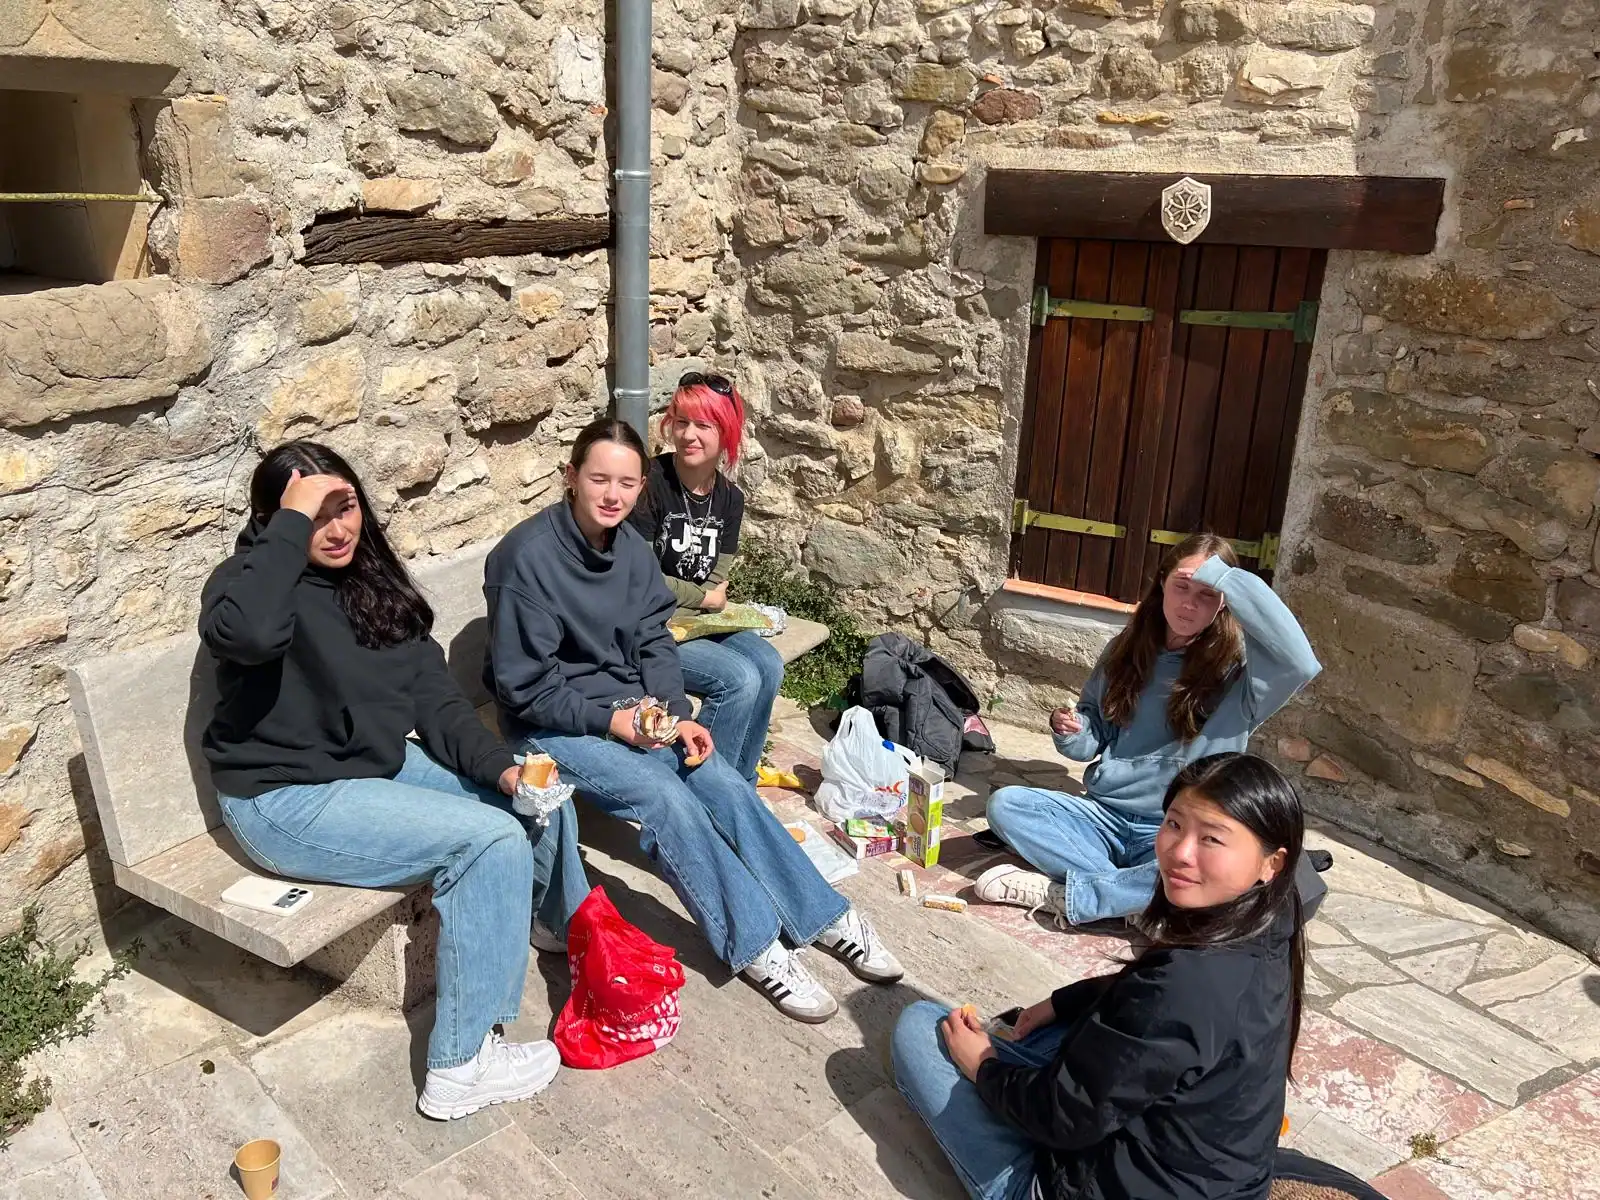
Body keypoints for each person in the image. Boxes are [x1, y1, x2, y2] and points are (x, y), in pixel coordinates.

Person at [201, 440, 587, 1121]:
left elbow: (435, 701)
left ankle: (552, 926)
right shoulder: (245, 584)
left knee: (540, 802)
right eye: (314, 513)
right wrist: (289, 525)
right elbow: (252, 636)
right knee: (490, 841)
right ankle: (462, 1064)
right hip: (284, 797)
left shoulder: (371, 585)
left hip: (366, 764)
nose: (337, 528)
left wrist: (503, 771)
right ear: (275, 519)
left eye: (345, 506)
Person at [483, 416, 904, 1023]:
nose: (612, 495)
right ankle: (755, 943)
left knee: (721, 782)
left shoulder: (629, 548)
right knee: (662, 795)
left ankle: (824, 916)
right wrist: (614, 723)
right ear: (571, 477)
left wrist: (675, 714)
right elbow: (524, 689)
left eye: (627, 483)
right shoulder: (525, 558)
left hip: (630, 707)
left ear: (640, 488)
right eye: (599, 479)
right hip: (551, 724)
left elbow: (655, 639)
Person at [893, 753, 1307, 1200]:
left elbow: (1064, 1118)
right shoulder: (1271, 920)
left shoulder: (1185, 984)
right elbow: (1147, 1007)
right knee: (1059, 1027)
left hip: (1091, 1183)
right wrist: (1061, 1002)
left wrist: (984, 1067)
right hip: (1211, 1177)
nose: (1179, 854)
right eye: (1174, 824)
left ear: (1271, 863)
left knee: (922, 1028)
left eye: (1211, 838)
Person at [975, 533, 1321, 927]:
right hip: (1104, 816)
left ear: (1225, 601)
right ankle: (1136, 899)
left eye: (1207, 594)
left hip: (1179, 830)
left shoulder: (1241, 677)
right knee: (1008, 805)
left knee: (1219, 871)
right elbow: (1091, 737)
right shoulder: (1125, 650)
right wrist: (1072, 728)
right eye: (1182, 586)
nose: (1189, 603)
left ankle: (1083, 896)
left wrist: (1227, 578)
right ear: (1162, 582)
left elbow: (1300, 664)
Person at [628, 372, 783, 784]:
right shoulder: (650, 483)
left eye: (703, 424)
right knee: (738, 680)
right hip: (649, 627)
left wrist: (701, 599)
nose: (688, 435)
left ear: (726, 432)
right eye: (682, 422)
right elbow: (642, 579)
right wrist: (703, 598)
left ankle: (739, 785)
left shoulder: (730, 499)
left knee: (768, 665)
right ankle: (709, 790)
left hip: (697, 622)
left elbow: (718, 578)